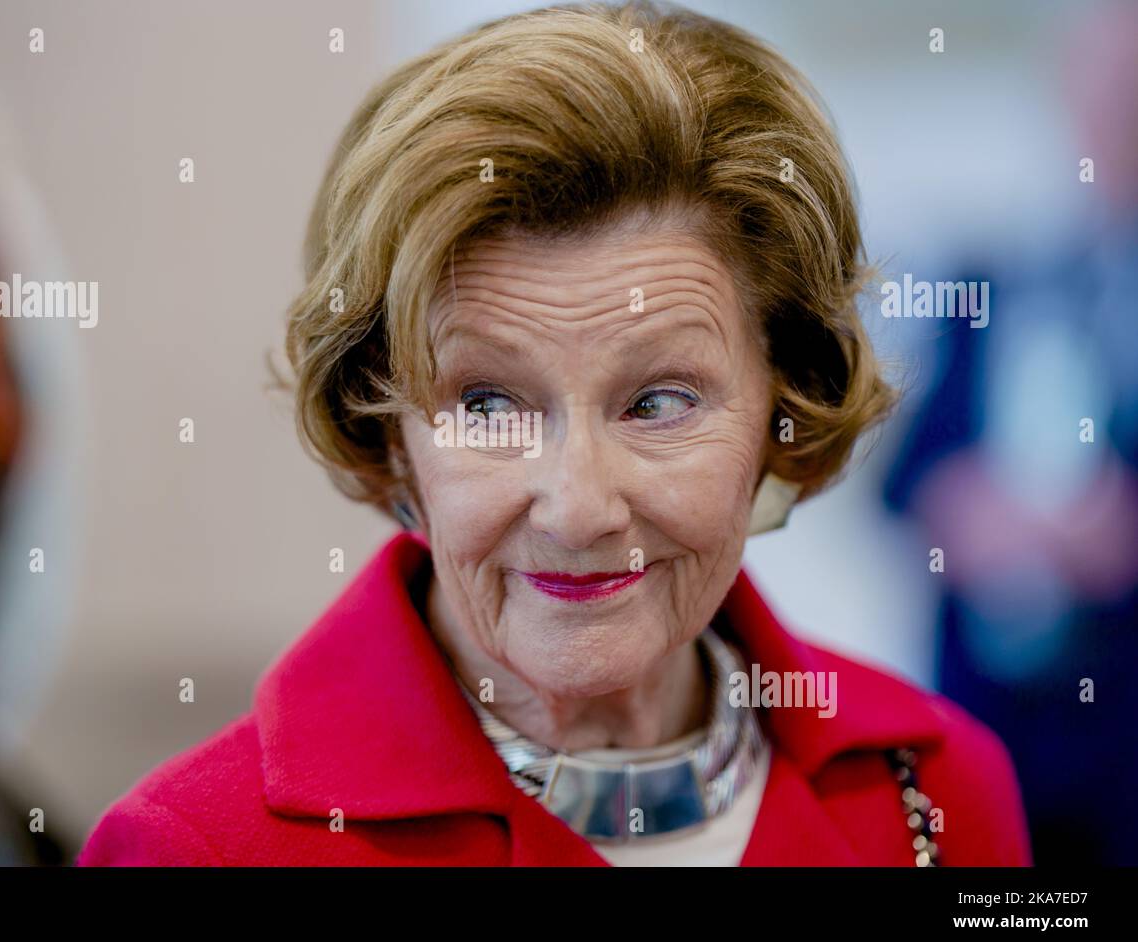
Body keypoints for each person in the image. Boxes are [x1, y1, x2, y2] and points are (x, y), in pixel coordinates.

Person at [80, 0, 1030, 866]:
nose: (578, 509)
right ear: (386, 429)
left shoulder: (937, 789)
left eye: (659, 401)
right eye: (488, 406)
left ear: (787, 408)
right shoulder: (199, 849)